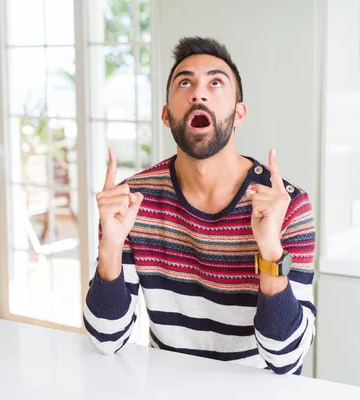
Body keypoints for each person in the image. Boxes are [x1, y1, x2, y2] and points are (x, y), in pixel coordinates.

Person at [84, 36, 316, 375]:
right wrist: (111, 245)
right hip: (169, 386)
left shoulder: (287, 206)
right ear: (167, 115)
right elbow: (106, 339)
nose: (199, 93)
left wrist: (270, 254)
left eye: (216, 82)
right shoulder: (131, 202)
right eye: (185, 82)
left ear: (239, 113)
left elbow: (287, 358)